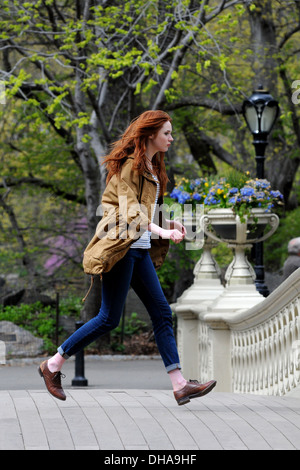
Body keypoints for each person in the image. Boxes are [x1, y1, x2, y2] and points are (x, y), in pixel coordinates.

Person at [38, 110, 216, 406]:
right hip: (121, 248)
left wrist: (167, 224)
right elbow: (132, 211)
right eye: (167, 134)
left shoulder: (152, 165)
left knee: (161, 312)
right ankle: (53, 364)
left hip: (140, 249)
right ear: (150, 135)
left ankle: (180, 385)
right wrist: (161, 229)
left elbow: (147, 209)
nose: (171, 139)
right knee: (108, 318)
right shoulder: (128, 167)